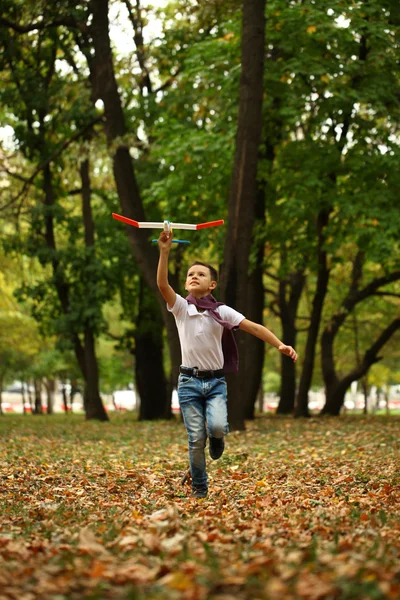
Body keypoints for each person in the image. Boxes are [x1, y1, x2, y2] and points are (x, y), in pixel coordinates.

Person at [157, 229, 298, 499]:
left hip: (215, 382)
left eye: (201, 274)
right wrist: (164, 252)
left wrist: (279, 344)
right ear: (186, 285)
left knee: (218, 426)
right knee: (196, 439)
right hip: (188, 382)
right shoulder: (180, 308)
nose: (194, 276)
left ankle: (219, 438)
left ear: (212, 285)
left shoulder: (222, 311)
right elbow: (163, 285)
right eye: (190, 274)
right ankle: (200, 487)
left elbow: (254, 327)